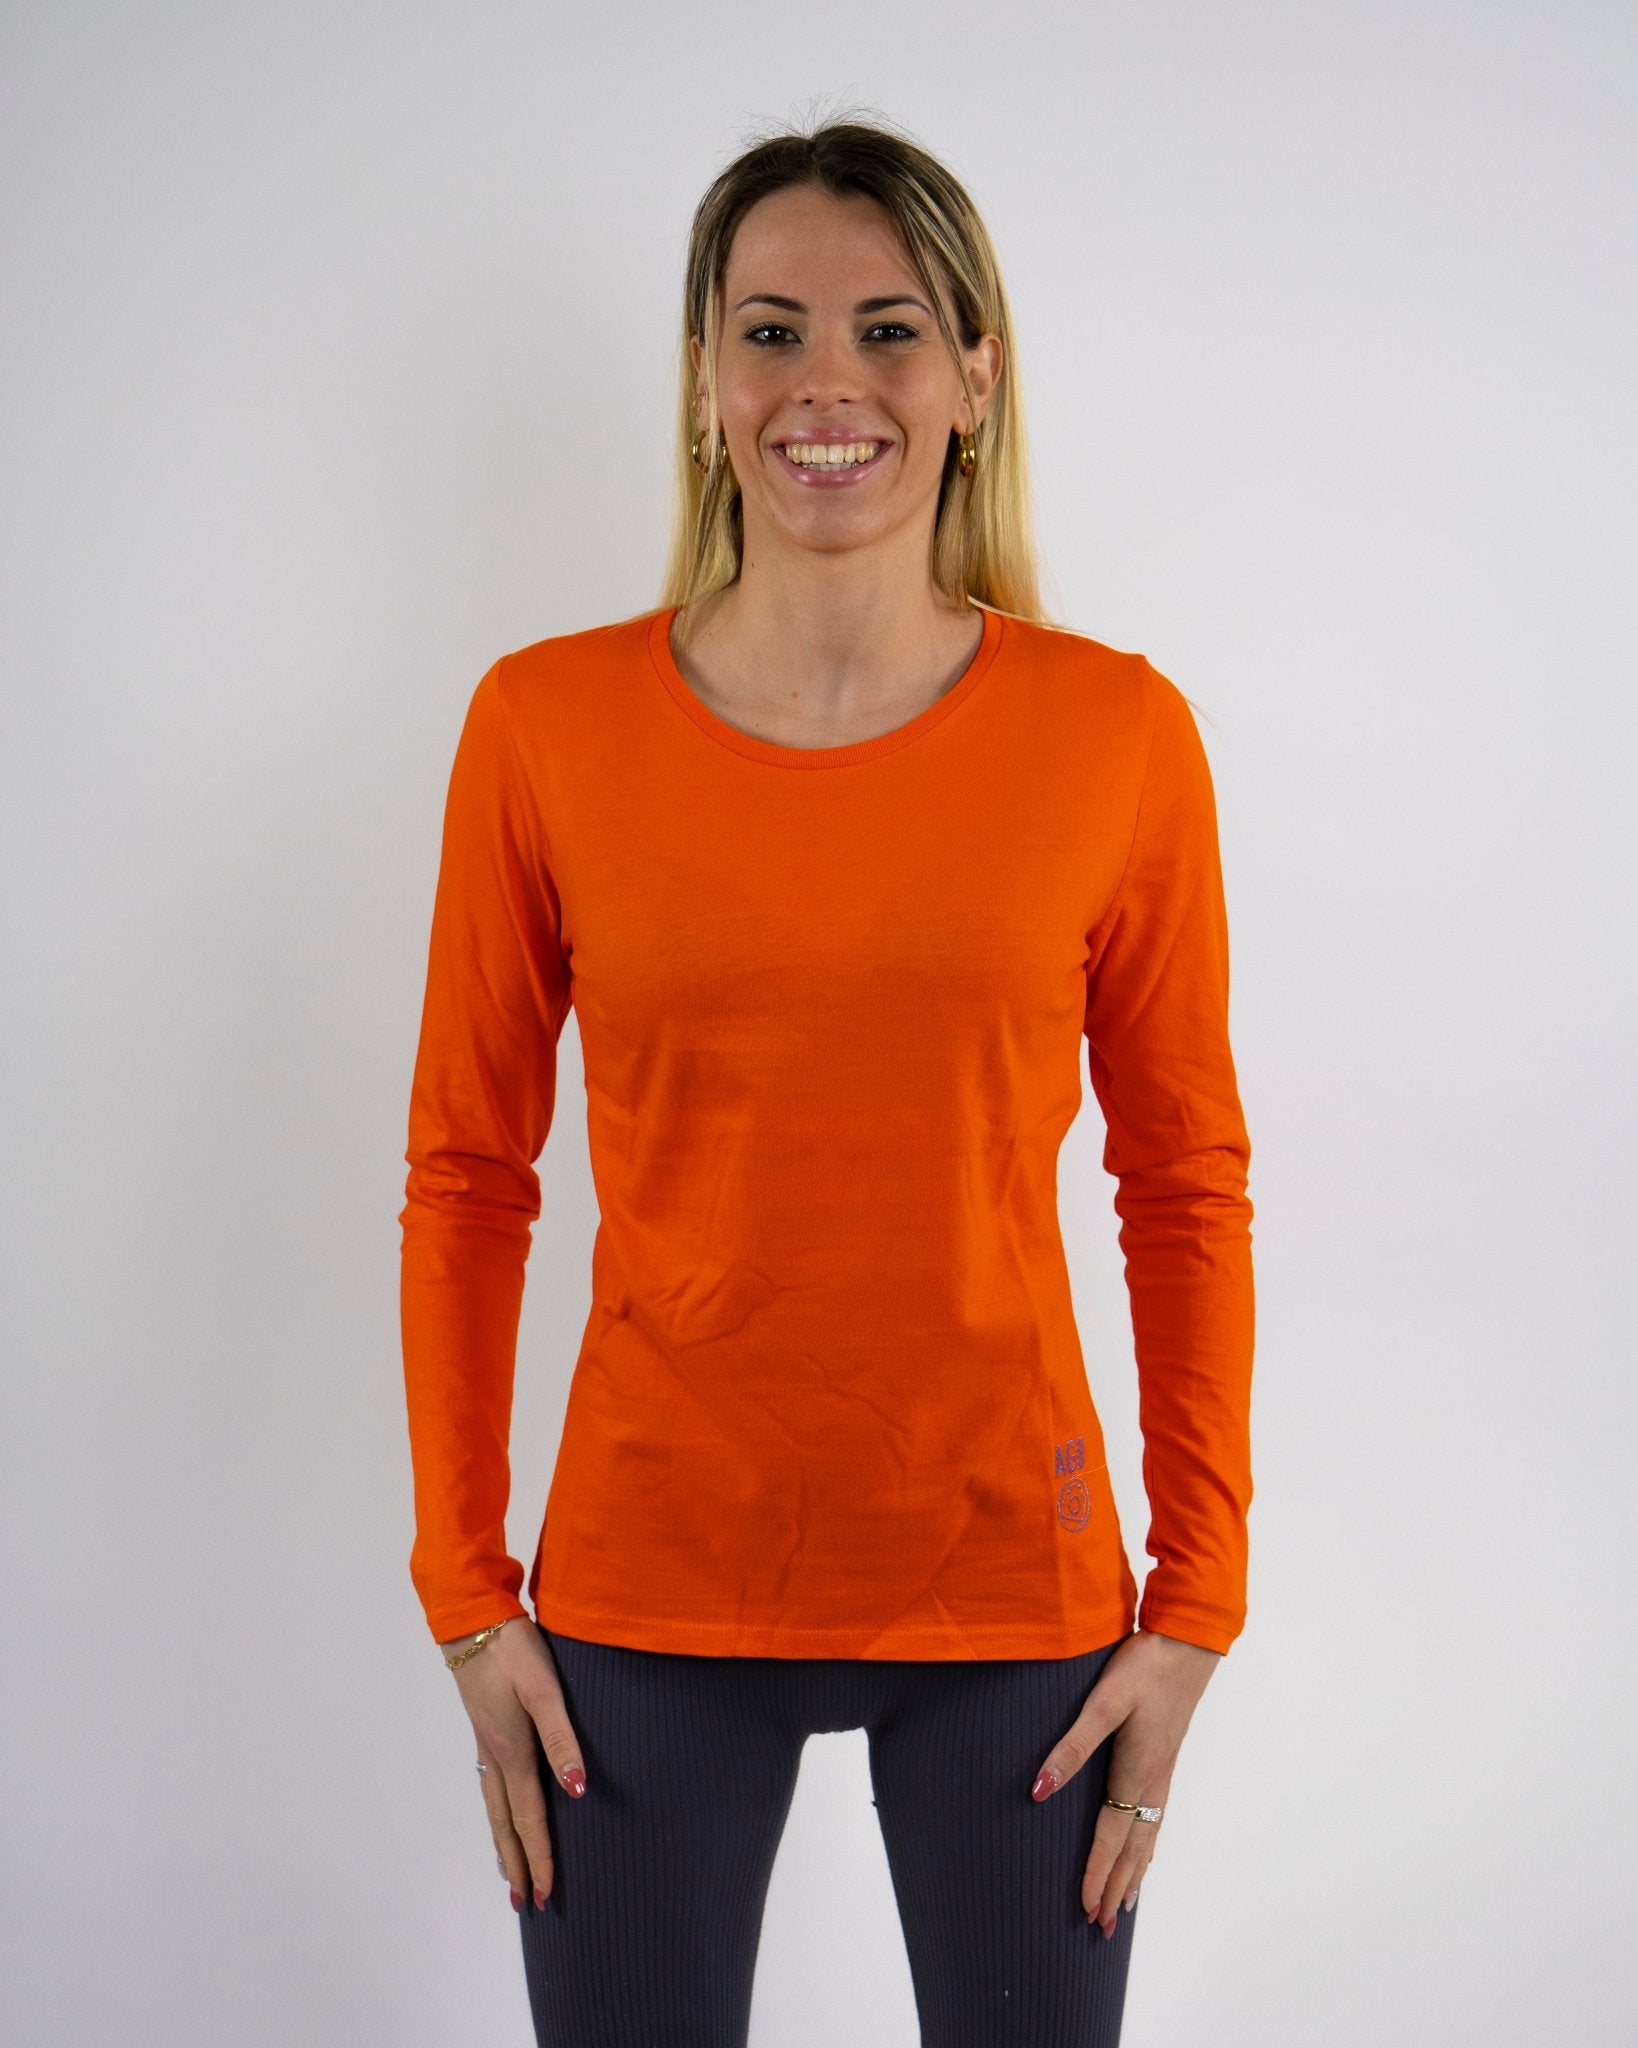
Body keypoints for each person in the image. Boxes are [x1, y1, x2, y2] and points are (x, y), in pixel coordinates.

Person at [398, 116, 1255, 2048]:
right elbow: (467, 1175)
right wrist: (466, 1591)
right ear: (705, 380)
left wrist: (1196, 1601)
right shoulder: (542, 724)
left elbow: (1183, 1182)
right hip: (643, 1592)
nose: (826, 385)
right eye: (770, 331)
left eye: (888, 329)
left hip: (1012, 1585)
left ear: (975, 376)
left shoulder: (1115, 734)